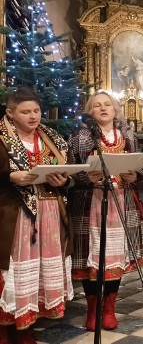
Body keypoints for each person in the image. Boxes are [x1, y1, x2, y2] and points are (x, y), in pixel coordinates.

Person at [0, 87, 74, 343]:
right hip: (15, 213)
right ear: (10, 113)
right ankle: (7, 325)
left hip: (50, 212)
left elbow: (69, 176)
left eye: (36, 111)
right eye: (25, 112)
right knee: (14, 270)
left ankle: (27, 324)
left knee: (40, 270)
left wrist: (62, 181)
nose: (33, 116)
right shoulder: (1, 137)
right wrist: (10, 176)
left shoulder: (51, 137)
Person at [67, 91, 143, 331]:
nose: (103, 108)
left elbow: (140, 167)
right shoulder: (79, 137)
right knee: (91, 254)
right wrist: (86, 177)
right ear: (90, 111)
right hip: (90, 203)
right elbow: (69, 170)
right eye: (97, 105)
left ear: (115, 109)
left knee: (115, 256)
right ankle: (93, 309)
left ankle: (109, 307)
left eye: (107, 104)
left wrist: (135, 175)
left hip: (121, 202)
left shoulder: (128, 136)